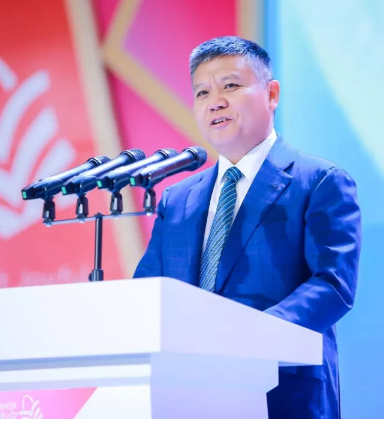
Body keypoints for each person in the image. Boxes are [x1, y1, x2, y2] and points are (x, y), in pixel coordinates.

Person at [133, 36, 361, 419]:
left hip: (282, 394)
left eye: (230, 86)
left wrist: (251, 336)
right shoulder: (177, 200)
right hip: (184, 396)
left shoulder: (319, 182)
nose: (215, 102)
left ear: (272, 94)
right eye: (202, 92)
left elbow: (332, 285)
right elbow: (147, 295)